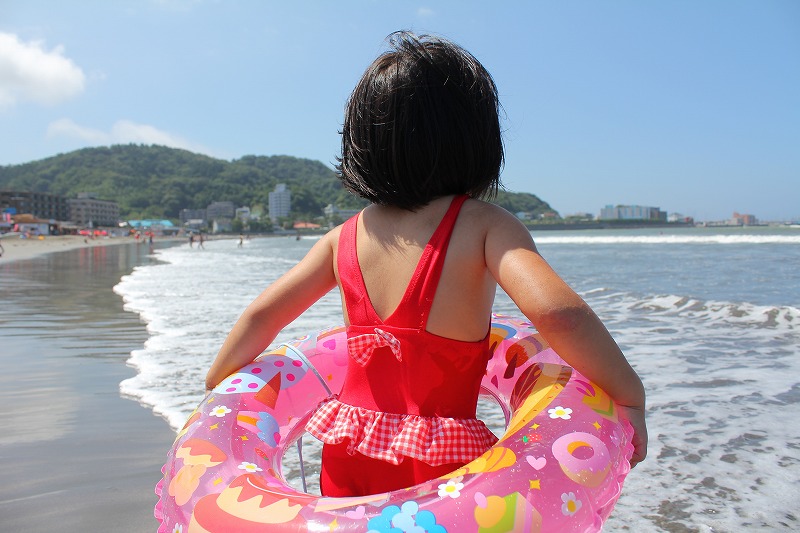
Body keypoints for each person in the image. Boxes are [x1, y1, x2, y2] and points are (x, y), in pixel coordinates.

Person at [205, 31, 647, 498]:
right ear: (479, 139)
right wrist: (630, 395)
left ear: (363, 142)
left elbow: (263, 315)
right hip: (444, 461)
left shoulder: (343, 237)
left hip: (348, 450)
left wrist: (220, 389)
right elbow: (559, 315)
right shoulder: (484, 226)